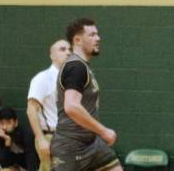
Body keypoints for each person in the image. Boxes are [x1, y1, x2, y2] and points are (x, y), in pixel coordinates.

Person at [50, 19, 121, 171]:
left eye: (97, 34)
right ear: (77, 40)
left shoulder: (82, 66)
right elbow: (71, 106)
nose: (98, 38)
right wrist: (103, 131)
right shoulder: (76, 67)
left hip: (92, 144)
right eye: (92, 35)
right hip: (70, 146)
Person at [26, 40, 71, 171]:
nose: (68, 52)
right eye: (62, 49)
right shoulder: (43, 78)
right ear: (52, 56)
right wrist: (40, 139)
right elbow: (31, 110)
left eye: (70, 50)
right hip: (51, 136)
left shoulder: (72, 80)